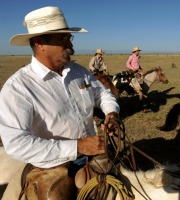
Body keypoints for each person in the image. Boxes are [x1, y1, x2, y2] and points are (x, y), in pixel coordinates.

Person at [0, 6, 120, 199]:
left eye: (69, 38)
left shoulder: (79, 71)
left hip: (94, 155)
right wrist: (77, 147)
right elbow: (16, 143)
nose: (70, 45)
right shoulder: (18, 88)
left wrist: (112, 114)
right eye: (62, 39)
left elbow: (103, 94)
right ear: (40, 43)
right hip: (49, 164)